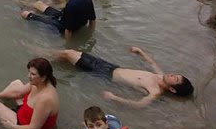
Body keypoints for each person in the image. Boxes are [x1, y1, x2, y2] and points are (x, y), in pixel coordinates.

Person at [56, 46, 194, 108]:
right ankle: (50, 58)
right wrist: (140, 51)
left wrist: (114, 97)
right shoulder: (160, 76)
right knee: (70, 53)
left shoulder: (155, 92)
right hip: (111, 66)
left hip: (105, 75)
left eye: (175, 78)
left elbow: (139, 104)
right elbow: (152, 62)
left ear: (173, 90)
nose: (172, 75)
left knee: (68, 54)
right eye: (176, 75)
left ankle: (43, 54)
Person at [0, 58, 59, 129]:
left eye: (33, 74)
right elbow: (19, 93)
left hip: (24, 126)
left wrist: (11, 126)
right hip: (25, 112)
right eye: (29, 72)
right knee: (16, 83)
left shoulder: (45, 99)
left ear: (43, 77)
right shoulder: (41, 83)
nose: (28, 76)